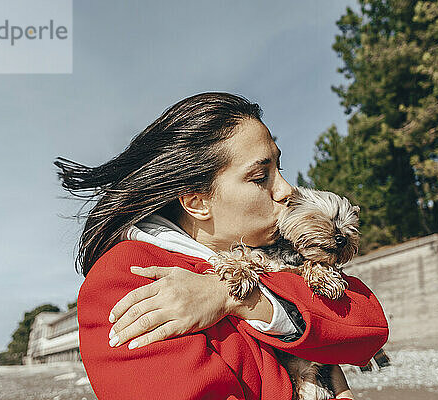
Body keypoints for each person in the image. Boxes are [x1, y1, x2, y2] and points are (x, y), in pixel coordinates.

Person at [55, 92, 388, 400]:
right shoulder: (126, 277)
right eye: (261, 177)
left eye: (279, 168)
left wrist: (235, 297)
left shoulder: (276, 257)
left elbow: (369, 326)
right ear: (197, 201)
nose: (287, 190)